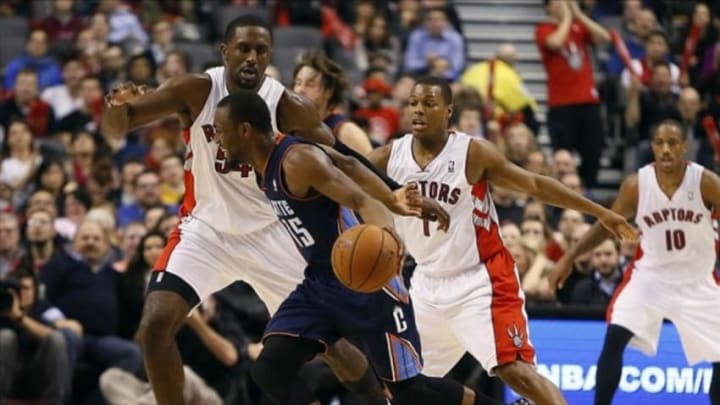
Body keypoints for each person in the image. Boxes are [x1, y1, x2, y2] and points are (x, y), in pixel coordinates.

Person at [101, 14, 423, 405]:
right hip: (206, 230)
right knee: (154, 325)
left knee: (333, 347)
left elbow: (343, 158)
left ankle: (378, 400)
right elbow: (119, 127)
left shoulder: (287, 105)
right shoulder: (197, 90)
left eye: (261, 50)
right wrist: (117, 107)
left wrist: (391, 196)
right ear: (225, 52)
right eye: (243, 49)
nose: (252, 57)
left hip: (272, 233)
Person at [213, 89, 517, 405]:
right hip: (320, 283)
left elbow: (359, 198)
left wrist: (386, 234)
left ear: (244, 131)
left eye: (220, 131)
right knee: (269, 370)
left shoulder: (295, 160)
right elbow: (348, 162)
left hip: (368, 283)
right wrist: (394, 195)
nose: (217, 140)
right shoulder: (265, 167)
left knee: (410, 392)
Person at [364, 77, 638, 405]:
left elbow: (535, 184)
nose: (418, 110)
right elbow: (344, 174)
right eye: (413, 103)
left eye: (429, 103)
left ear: (448, 111)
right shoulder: (387, 157)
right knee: (404, 386)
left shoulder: (471, 153)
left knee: (516, 372)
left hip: (482, 279)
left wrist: (599, 212)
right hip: (426, 283)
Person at [549, 120, 720, 405]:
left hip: (698, 281)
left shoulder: (705, 181)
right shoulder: (637, 185)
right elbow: (605, 226)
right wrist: (568, 258)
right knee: (615, 335)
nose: (665, 149)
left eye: (672, 142)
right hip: (650, 278)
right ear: (652, 146)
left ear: (684, 146)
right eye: (659, 142)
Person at [293, 50, 373, 155]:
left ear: (329, 92)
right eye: (298, 83)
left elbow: (373, 169)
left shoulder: (346, 131)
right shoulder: (290, 128)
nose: (300, 90)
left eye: (310, 84)